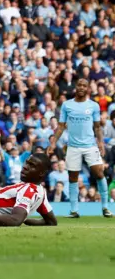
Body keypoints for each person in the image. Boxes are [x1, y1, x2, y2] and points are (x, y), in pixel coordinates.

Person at [48, 78, 112, 218]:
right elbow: (60, 126)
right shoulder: (67, 105)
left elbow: (97, 126)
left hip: (90, 146)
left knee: (99, 173)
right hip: (73, 147)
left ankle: (105, 207)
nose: (82, 87)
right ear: (76, 87)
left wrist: (100, 143)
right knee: (72, 178)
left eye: (84, 85)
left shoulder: (93, 106)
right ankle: (74, 210)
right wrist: (53, 143)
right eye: (79, 85)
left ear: (88, 88)